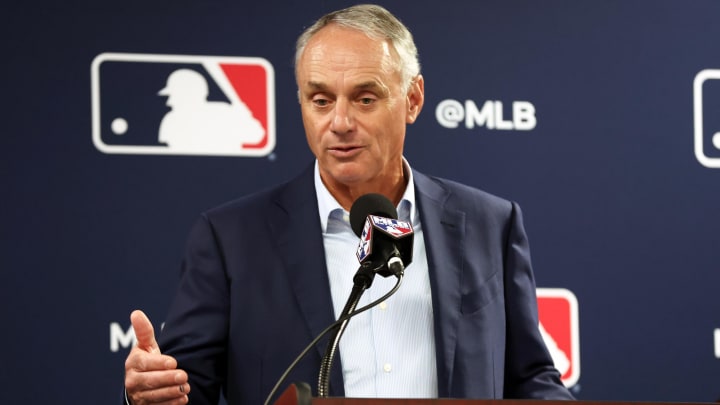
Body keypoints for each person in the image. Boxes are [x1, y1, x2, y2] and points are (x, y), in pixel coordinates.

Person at [123, 4, 575, 405]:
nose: (339, 122)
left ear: (412, 99)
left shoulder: (489, 223)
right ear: (301, 102)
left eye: (364, 98)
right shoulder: (231, 238)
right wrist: (154, 394)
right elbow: (186, 388)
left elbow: (529, 376)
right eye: (321, 100)